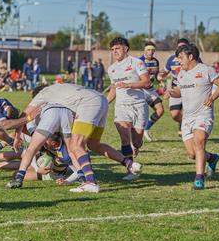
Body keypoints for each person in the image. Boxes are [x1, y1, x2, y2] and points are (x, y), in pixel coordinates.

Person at [8, 83, 142, 193]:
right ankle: (129, 164)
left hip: (87, 104)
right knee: (94, 145)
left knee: (76, 146)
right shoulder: (60, 87)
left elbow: (25, 114)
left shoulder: (42, 95)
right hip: (101, 100)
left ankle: (90, 182)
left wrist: (17, 136)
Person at [169, 44, 219, 190]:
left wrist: (212, 98)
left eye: (181, 58)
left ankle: (199, 179)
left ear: (190, 56)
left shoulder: (206, 70)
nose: (179, 61)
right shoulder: (181, 73)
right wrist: (171, 93)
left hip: (203, 114)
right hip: (187, 118)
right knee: (192, 153)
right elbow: (180, 91)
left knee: (199, 142)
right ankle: (212, 158)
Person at [106, 37, 150, 180]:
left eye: (117, 48)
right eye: (112, 50)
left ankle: (137, 144)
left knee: (136, 141)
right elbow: (114, 88)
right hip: (121, 107)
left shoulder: (137, 62)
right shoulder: (111, 69)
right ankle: (130, 170)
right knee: (125, 138)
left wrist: (129, 84)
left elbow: (146, 82)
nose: (114, 52)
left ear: (125, 48)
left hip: (138, 106)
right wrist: (104, 103)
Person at [158, 38, 196, 136]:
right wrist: (161, 75)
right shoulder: (171, 59)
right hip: (175, 90)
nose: (180, 49)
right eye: (179, 47)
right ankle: (182, 123)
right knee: (174, 114)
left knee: (191, 113)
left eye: (183, 47)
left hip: (189, 90)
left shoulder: (194, 59)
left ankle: (190, 128)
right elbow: (165, 71)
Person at [139, 41, 164, 142]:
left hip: (151, 89)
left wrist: (161, 81)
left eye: (153, 50)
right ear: (144, 50)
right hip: (140, 90)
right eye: (148, 50)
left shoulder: (155, 61)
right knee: (141, 114)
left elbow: (156, 75)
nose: (151, 52)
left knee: (160, 110)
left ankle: (146, 129)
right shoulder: (138, 61)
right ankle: (136, 135)